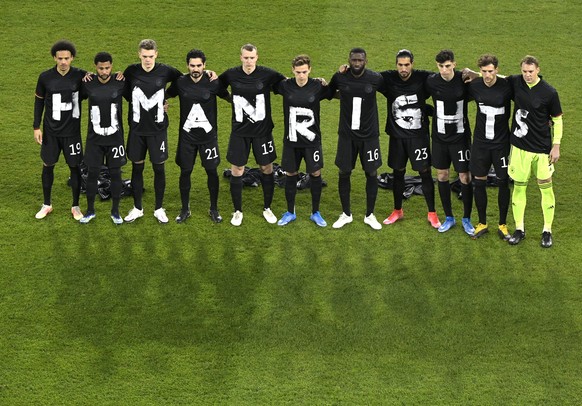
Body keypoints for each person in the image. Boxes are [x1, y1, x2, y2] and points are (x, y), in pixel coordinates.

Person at [218, 44, 286, 226]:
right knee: (237, 170)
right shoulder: (231, 74)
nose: (249, 61)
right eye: (246, 58)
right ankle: (237, 211)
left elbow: (288, 83)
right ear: (241, 57)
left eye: (252, 58)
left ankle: (267, 208)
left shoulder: (268, 74)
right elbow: (217, 86)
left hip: (262, 132)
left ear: (257, 57)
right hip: (239, 132)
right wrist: (228, 98)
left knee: (267, 168)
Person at [166, 49, 231, 224]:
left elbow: (229, 98)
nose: (195, 69)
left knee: (211, 171)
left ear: (204, 65)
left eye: (199, 65)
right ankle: (185, 209)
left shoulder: (213, 82)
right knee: (185, 171)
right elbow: (165, 95)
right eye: (192, 65)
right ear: (187, 65)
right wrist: (162, 103)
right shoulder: (180, 82)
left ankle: (214, 209)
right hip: (187, 138)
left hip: (208, 138)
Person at [379, 49, 441, 229]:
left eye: (407, 65)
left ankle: (432, 213)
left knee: (425, 173)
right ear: (396, 64)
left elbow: (445, 80)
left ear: (412, 64)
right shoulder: (388, 78)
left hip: (418, 137)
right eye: (400, 65)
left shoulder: (423, 78)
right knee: (398, 173)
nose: (403, 69)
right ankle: (397, 210)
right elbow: (367, 78)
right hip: (397, 137)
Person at [122, 39, 182, 224]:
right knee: (137, 167)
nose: (148, 60)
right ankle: (138, 208)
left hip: (157, 130)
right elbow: (124, 90)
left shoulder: (166, 71)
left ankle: (158, 208)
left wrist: (165, 97)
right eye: (144, 56)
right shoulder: (131, 71)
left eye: (150, 56)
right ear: (139, 54)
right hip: (137, 130)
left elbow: (184, 80)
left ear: (156, 54)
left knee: (159, 168)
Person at [506, 56, 563, 248]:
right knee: (519, 188)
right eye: (524, 71)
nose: (527, 75)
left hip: (541, 151)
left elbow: (557, 119)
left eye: (530, 71)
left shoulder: (549, 92)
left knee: (546, 189)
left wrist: (556, 145)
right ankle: (519, 229)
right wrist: (476, 74)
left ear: (538, 69)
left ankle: (547, 230)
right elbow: (495, 77)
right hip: (519, 149)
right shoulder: (516, 82)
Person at [328, 47, 385, 230]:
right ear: (349, 60)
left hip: (369, 137)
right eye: (354, 60)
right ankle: (346, 214)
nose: (357, 63)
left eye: (360, 60)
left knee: (371, 173)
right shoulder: (340, 77)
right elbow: (328, 93)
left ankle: (370, 215)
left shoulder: (375, 79)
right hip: (346, 136)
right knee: (344, 172)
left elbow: (393, 90)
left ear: (366, 61)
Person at [274, 54, 331, 227]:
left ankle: (316, 212)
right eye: (298, 72)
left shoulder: (317, 86)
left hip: (312, 141)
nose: (301, 75)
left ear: (310, 70)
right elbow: (267, 82)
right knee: (290, 174)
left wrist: (328, 82)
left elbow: (335, 93)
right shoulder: (285, 85)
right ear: (293, 70)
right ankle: (290, 212)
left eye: (304, 71)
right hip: (291, 141)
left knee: (315, 174)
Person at [33, 40, 86, 220]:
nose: (63, 62)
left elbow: (102, 83)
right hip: (51, 133)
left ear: (72, 58)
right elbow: (39, 102)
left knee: (75, 167)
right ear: (55, 58)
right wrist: (36, 127)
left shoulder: (81, 76)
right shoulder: (45, 77)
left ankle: (76, 206)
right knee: (48, 166)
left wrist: (117, 75)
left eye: (67, 58)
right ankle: (47, 204)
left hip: (72, 133)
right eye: (60, 58)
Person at [425, 49, 475, 235]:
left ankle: (467, 219)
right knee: (442, 175)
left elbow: (488, 82)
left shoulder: (464, 79)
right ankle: (449, 217)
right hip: (439, 138)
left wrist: (475, 74)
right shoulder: (431, 81)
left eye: (447, 66)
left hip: (460, 138)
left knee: (465, 177)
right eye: (440, 66)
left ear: (454, 64)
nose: (444, 70)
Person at [466, 54, 512, 239]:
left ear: (497, 70)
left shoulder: (508, 86)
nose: (487, 75)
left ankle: (502, 224)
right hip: (480, 144)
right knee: (479, 182)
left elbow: (527, 94)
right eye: (484, 71)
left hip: (501, 144)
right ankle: (482, 222)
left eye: (490, 71)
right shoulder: (474, 86)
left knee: (503, 182)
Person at [78, 52, 128, 224]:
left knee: (115, 174)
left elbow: (136, 96)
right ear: (95, 67)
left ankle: (115, 211)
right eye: (101, 68)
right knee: (92, 174)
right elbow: (74, 96)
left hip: (115, 139)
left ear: (111, 66)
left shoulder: (120, 81)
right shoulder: (88, 83)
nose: (104, 71)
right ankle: (90, 211)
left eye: (107, 68)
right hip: (94, 139)